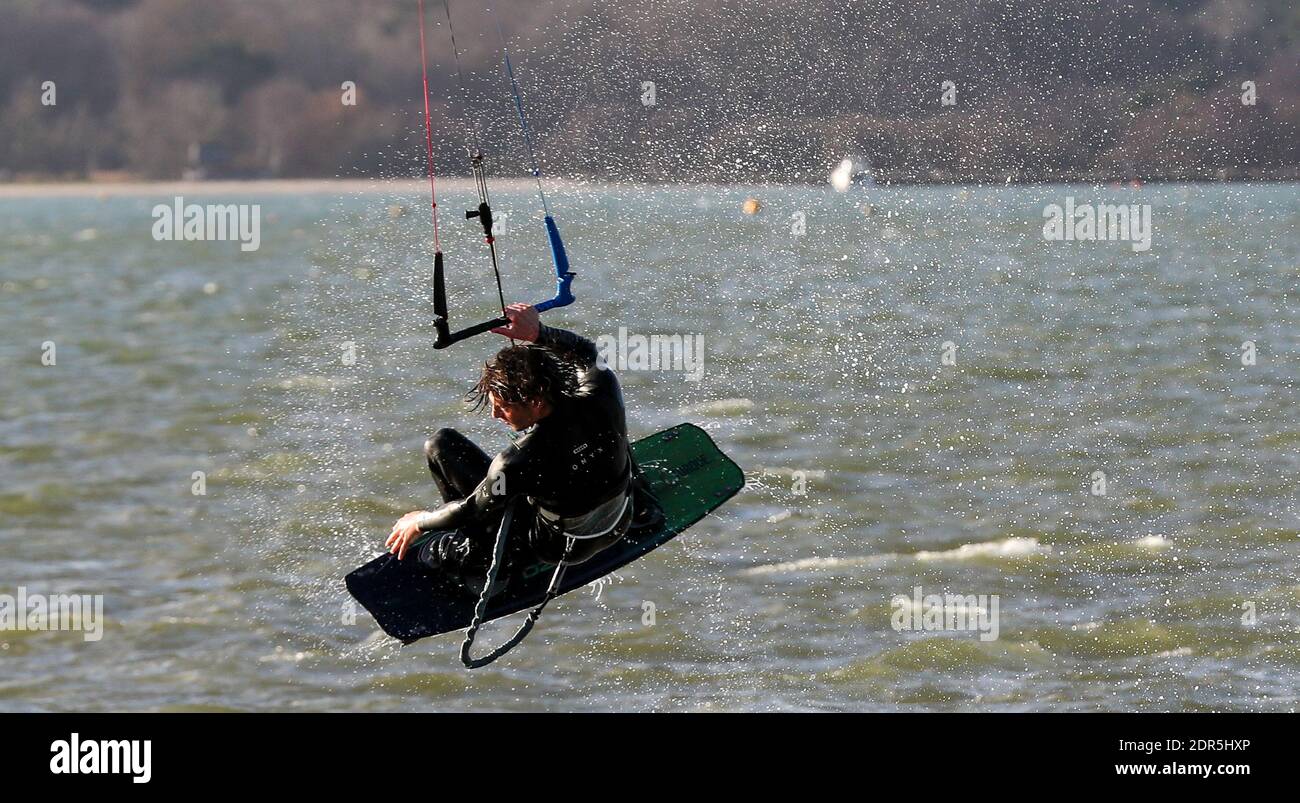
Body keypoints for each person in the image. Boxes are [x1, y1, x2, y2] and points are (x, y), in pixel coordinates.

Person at [384, 303, 653, 583]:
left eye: (503, 407)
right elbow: (587, 352)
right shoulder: (601, 390)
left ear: (535, 402)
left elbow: (469, 510)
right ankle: (646, 507)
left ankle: (484, 560)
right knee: (604, 436)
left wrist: (419, 521)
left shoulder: (517, 462)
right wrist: (539, 332)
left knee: (441, 445)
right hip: (621, 520)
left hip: (561, 546)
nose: (495, 414)